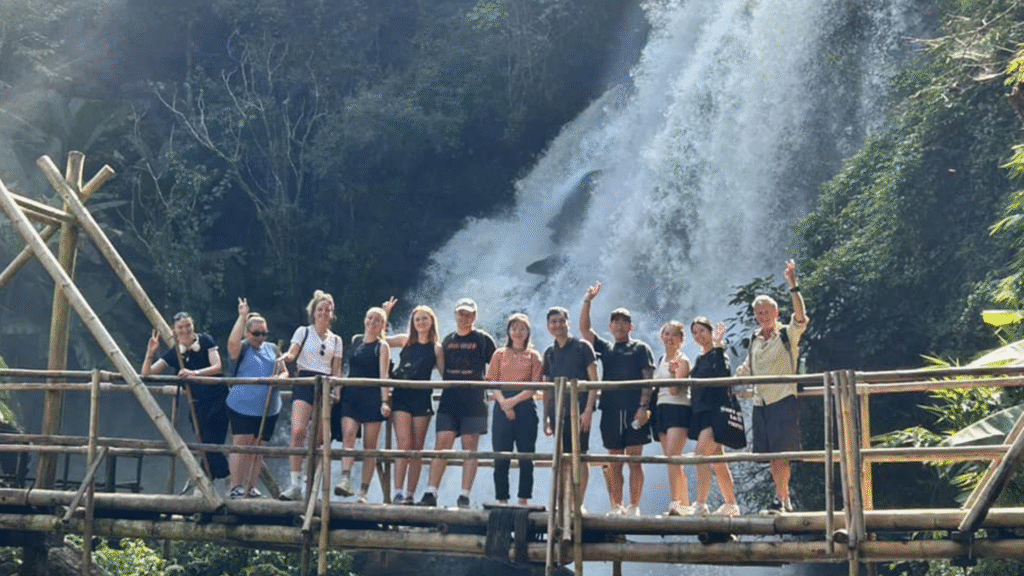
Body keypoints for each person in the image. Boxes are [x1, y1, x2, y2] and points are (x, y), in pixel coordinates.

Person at [735, 259, 808, 514]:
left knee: (782, 453)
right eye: (759, 313)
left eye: (766, 312)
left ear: (776, 314)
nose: (762, 317)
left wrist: (793, 285)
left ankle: (782, 499)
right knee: (772, 455)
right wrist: (732, 382)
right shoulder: (754, 339)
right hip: (761, 402)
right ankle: (782, 499)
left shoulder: (787, 334)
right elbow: (747, 368)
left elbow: (801, 318)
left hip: (783, 398)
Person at [579, 281, 655, 516]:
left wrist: (643, 407)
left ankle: (634, 506)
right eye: (616, 322)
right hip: (610, 411)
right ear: (611, 327)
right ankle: (617, 506)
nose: (620, 325)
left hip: (634, 410)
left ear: (631, 326)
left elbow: (648, 379)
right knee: (614, 461)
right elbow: (584, 331)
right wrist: (587, 301)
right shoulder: (606, 348)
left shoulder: (640, 348)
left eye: (625, 321)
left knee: (634, 461)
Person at [419, 298, 496, 508]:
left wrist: (493, 389)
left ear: (475, 317)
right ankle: (431, 492)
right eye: (461, 313)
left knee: (470, 447)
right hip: (450, 398)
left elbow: (497, 364)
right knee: (442, 443)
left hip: (475, 400)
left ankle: (464, 495)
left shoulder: (483, 339)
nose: (465, 317)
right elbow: (440, 367)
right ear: (455, 315)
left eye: (469, 314)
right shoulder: (447, 341)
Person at [141, 311, 229, 491]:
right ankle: (218, 479)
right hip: (196, 403)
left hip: (218, 399)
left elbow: (217, 367)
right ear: (174, 330)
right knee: (205, 443)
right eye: (180, 327)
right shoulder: (175, 353)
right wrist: (150, 353)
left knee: (211, 442)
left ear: (193, 325)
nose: (185, 330)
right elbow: (147, 373)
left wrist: (193, 374)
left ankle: (214, 481)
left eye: (188, 325)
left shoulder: (206, 341)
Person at [277, 290, 344, 501]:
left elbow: (337, 369)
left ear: (332, 313)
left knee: (318, 439)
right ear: (313, 312)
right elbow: (293, 352)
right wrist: (286, 357)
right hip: (305, 382)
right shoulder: (303, 331)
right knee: (298, 432)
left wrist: (337, 391)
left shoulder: (336, 340)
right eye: (320, 309)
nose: (323, 312)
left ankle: (310, 484)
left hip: (325, 385)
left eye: (327, 309)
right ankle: (295, 483)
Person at [383, 301, 443, 505]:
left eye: (424, 318)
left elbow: (445, 374)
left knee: (417, 448)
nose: (421, 322)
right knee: (404, 445)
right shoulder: (406, 340)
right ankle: (398, 491)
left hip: (422, 398)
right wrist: (385, 313)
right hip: (401, 395)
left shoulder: (436, 348)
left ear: (431, 321)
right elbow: (382, 339)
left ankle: (410, 493)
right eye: (417, 319)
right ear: (413, 323)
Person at [226, 298, 286, 499]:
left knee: (259, 447)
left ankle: (251, 487)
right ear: (247, 333)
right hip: (242, 405)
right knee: (241, 445)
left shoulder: (273, 349)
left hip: (269, 408)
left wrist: (279, 378)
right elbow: (231, 343)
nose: (261, 337)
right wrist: (242, 316)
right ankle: (235, 486)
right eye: (256, 333)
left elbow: (285, 372)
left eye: (264, 333)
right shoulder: (242, 348)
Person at [542, 306, 598, 511]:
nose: (557, 325)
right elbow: (547, 388)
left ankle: (578, 503)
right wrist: (545, 417)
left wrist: (588, 411)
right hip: (557, 412)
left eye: (561, 321)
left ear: (568, 323)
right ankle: (564, 502)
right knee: (563, 457)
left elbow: (594, 381)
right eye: (553, 322)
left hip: (579, 410)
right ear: (548, 327)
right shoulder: (549, 353)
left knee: (580, 455)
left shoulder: (583, 347)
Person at [334, 306, 392, 503]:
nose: (372, 322)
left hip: (372, 397)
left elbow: (384, 375)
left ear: (382, 325)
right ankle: (345, 479)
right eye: (369, 318)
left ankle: (363, 492)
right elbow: (345, 367)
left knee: (370, 446)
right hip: (352, 394)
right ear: (365, 319)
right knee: (348, 435)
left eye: (377, 320)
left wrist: (385, 401)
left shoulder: (382, 346)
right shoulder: (355, 341)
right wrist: (338, 388)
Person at [486, 313, 543, 506]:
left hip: (526, 406)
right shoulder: (499, 354)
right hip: (501, 405)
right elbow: (492, 382)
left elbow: (535, 386)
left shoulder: (534, 356)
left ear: (528, 332)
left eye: (522, 328)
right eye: (514, 328)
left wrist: (513, 402)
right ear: (509, 331)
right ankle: (502, 500)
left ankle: (523, 500)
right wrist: (504, 403)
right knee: (501, 456)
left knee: (526, 455)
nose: (518, 332)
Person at [687, 317, 739, 517]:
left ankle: (701, 504)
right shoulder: (699, 359)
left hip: (714, 413)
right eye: (695, 332)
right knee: (718, 461)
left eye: (702, 331)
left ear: (710, 332)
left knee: (700, 456)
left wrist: (718, 346)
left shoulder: (719, 355)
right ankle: (731, 504)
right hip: (702, 413)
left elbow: (723, 374)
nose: (699, 335)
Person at [653, 321, 693, 516]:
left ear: (681, 340)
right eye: (666, 334)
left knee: (673, 458)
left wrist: (671, 371)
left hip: (678, 409)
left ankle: (679, 502)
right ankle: (681, 503)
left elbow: (675, 389)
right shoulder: (661, 359)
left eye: (674, 335)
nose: (669, 338)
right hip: (662, 410)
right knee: (672, 460)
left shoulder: (683, 361)